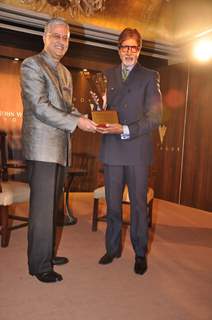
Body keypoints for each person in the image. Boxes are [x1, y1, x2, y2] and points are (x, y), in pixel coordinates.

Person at [20, 18, 97, 283]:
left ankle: (47, 253)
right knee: (41, 210)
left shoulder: (64, 73)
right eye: (56, 36)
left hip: (61, 148)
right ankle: (39, 265)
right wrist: (77, 122)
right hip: (42, 148)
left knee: (52, 208)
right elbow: (40, 107)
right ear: (44, 36)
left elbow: (66, 109)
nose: (61, 41)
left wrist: (87, 120)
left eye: (65, 38)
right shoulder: (32, 65)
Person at [96, 28, 162, 275]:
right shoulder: (107, 75)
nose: (129, 52)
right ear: (118, 49)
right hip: (112, 150)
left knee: (137, 207)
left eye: (134, 47)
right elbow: (103, 109)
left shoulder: (149, 76)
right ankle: (112, 249)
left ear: (139, 50)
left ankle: (140, 253)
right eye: (125, 47)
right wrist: (99, 117)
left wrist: (124, 128)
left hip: (137, 151)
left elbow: (155, 118)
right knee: (112, 205)